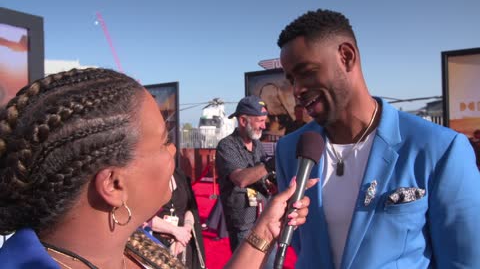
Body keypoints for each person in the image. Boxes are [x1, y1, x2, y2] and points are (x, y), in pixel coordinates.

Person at [0, 68, 316, 269]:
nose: (174, 151)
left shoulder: (138, 245)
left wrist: (264, 229)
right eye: (164, 142)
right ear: (113, 184)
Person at [275, 9, 480, 269]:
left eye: (306, 72)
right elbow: (303, 247)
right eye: (291, 79)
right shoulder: (290, 150)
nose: (297, 90)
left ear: (346, 56)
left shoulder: (439, 148)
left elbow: (464, 260)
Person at [215, 95, 277, 267]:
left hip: (264, 218)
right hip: (243, 224)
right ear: (243, 120)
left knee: (269, 264)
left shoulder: (257, 146)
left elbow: (261, 177)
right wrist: (271, 163)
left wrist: (271, 182)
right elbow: (241, 179)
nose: (264, 126)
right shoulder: (226, 146)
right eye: (260, 121)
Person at [149, 168, 206, 269]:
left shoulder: (180, 175)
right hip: (154, 246)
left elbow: (190, 208)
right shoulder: (143, 177)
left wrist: (185, 232)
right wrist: (175, 231)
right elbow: (139, 218)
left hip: (183, 243)